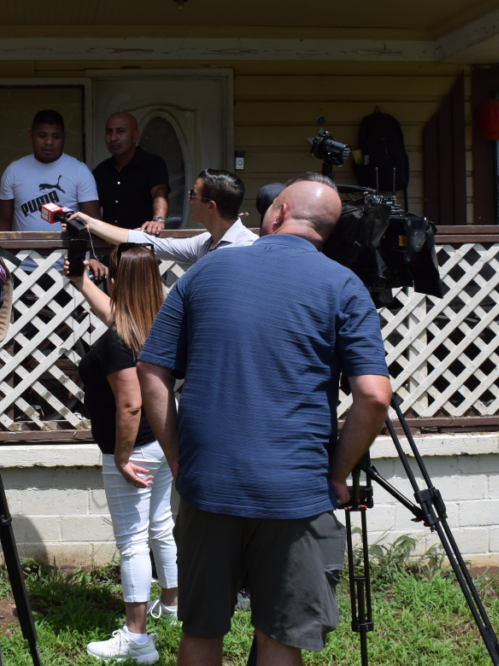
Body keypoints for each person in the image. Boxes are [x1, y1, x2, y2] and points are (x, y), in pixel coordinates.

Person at [136, 172, 392, 666]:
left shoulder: (206, 271)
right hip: (297, 491)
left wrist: (178, 458)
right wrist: (336, 473)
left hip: (208, 483)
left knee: (201, 629)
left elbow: (151, 370)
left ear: (278, 213)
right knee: (280, 636)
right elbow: (374, 396)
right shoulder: (344, 284)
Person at [67, 244, 178, 664]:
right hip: (160, 440)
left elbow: (130, 404)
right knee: (160, 526)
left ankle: (137, 639)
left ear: (118, 281)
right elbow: (114, 313)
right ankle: (173, 606)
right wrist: (80, 280)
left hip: (135, 451)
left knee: (132, 541)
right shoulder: (155, 322)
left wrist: (120, 456)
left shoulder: (118, 341)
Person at [67, 169, 256, 288]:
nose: (189, 199)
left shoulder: (250, 247)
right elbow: (148, 242)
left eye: (193, 194)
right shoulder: (205, 243)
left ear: (211, 207)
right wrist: (90, 223)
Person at [0, 109, 100, 232]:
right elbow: (3, 223)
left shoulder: (80, 171)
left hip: (68, 245)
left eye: (56, 137)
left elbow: (95, 224)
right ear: (31, 136)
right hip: (25, 245)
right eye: (42, 136)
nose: (49, 142)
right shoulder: (13, 171)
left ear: (64, 138)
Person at [93, 112, 169, 233]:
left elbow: (159, 194)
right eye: (109, 132)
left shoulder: (152, 164)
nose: (113, 138)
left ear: (135, 136)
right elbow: (92, 212)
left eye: (120, 131)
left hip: (144, 241)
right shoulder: (100, 171)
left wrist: (158, 220)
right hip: (109, 242)